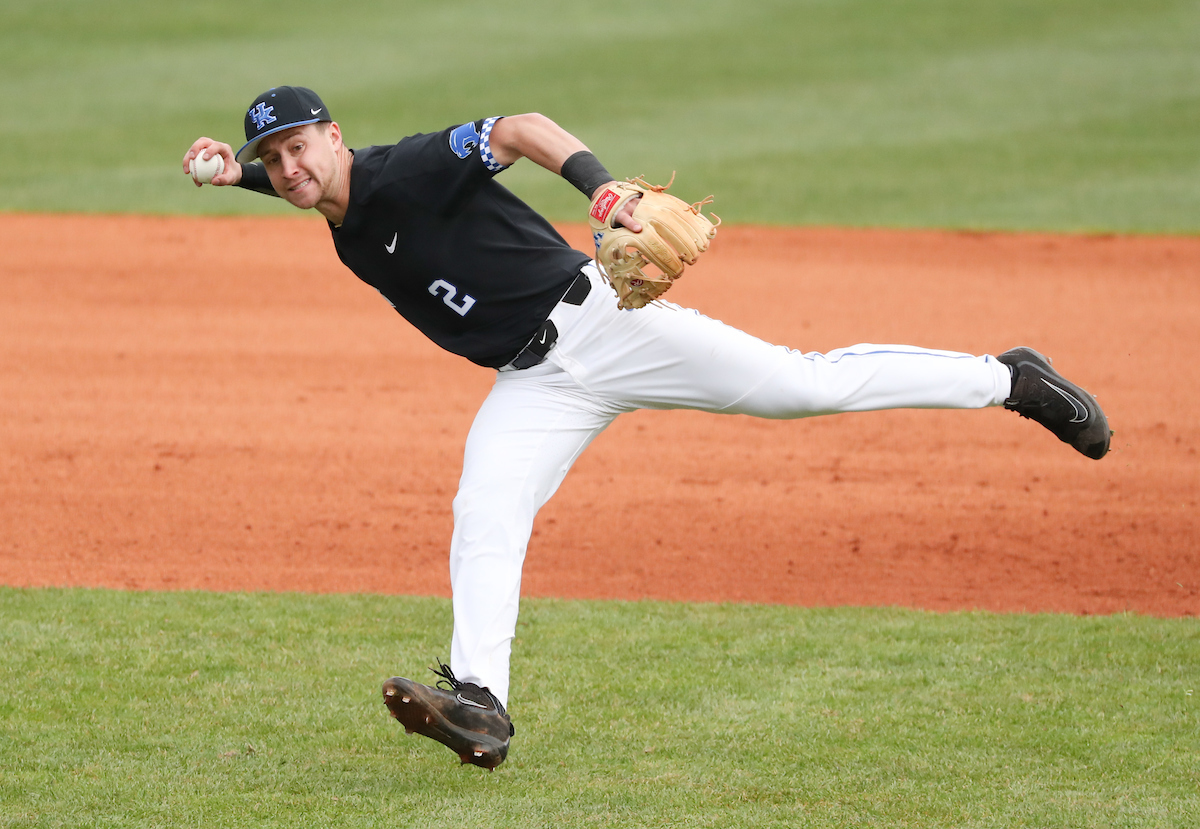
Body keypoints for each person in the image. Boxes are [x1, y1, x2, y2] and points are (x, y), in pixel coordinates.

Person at [183, 86, 1111, 771]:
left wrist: (598, 189)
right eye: (276, 158)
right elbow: (316, 192)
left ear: (335, 136)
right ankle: (480, 703)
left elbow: (516, 127)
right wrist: (236, 177)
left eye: (300, 147)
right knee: (485, 508)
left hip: (605, 326)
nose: (291, 167)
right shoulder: (334, 201)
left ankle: (1007, 378)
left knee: (801, 386)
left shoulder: (405, 167)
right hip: (535, 383)